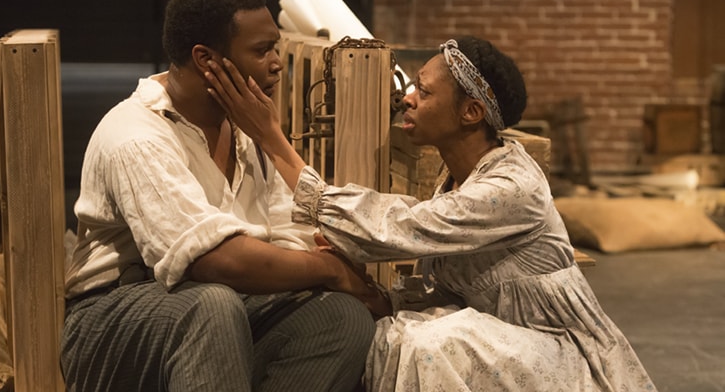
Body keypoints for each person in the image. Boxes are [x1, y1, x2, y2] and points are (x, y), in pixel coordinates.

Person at [204, 36, 657, 391]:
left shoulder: (509, 188)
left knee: (426, 344)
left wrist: (272, 139)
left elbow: (403, 226)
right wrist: (382, 298)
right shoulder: (459, 174)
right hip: (500, 335)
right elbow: (443, 266)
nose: (408, 98)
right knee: (391, 332)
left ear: (470, 112)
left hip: (558, 348)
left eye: (424, 90)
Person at [61, 0, 390, 392]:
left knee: (342, 319)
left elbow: (287, 232)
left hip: (222, 305)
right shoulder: (136, 135)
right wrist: (329, 270)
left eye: (276, 47)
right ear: (205, 59)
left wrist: (310, 262)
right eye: (261, 50)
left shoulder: (243, 127)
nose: (276, 63)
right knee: (211, 304)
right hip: (113, 316)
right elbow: (210, 260)